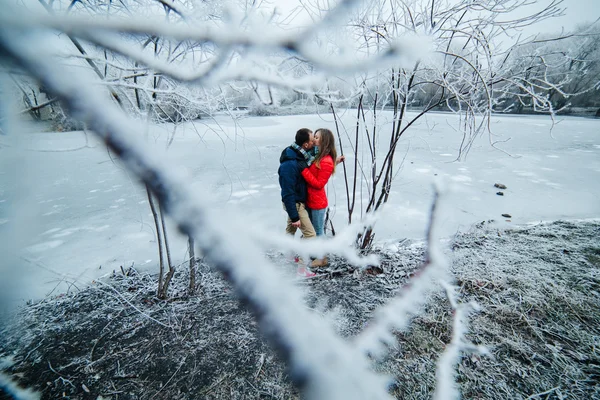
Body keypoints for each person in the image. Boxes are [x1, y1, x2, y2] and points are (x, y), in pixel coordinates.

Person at [300, 128, 344, 268]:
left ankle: (322, 258)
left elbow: (319, 183)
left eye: (317, 137)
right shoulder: (319, 155)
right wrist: (336, 161)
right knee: (312, 229)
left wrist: (303, 171)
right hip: (311, 200)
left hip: (318, 203)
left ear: (324, 140)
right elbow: (320, 170)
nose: (313, 140)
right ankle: (315, 252)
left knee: (318, 231)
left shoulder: (325, 160)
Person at [278, 128, 317, 241]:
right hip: (295, 203)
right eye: (312, 140)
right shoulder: (289, 165)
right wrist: (295, 217)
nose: (314, 142)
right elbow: (287, 192)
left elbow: (317, 155)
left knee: (290, 231)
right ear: (305, 144)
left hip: (296, 201)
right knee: (310, 235)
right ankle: (303, 258)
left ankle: (288, 254)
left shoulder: (299, 155)